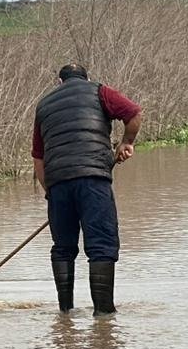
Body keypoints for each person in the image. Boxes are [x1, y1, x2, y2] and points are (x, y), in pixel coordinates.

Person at [32, 64, 142, 315]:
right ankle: (104, 315)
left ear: (59, 82)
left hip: (58, 182)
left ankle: (65, 313)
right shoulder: (99, 91)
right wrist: (126, 142)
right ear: (87, 78)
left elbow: (38, 158)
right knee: (102, 244)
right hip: (93, 179)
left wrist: (52, 193)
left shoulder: (44, 105)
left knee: (63, 248)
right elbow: (134, 113)